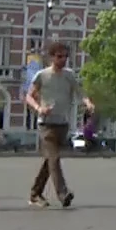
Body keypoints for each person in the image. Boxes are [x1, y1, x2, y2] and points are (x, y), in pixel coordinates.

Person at [26, 41, 93, 208]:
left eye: (65, 57)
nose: (63, 59)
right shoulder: (42, 75)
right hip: (46, 123)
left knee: (50, 161)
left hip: (62, 124)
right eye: (59, 56)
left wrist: (88, 102)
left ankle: (35, 193)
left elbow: (80, 92)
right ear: (52, 57)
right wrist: (39, 108)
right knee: (54, 158)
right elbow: (29, 96)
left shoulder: (69, 75)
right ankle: (63, 194)